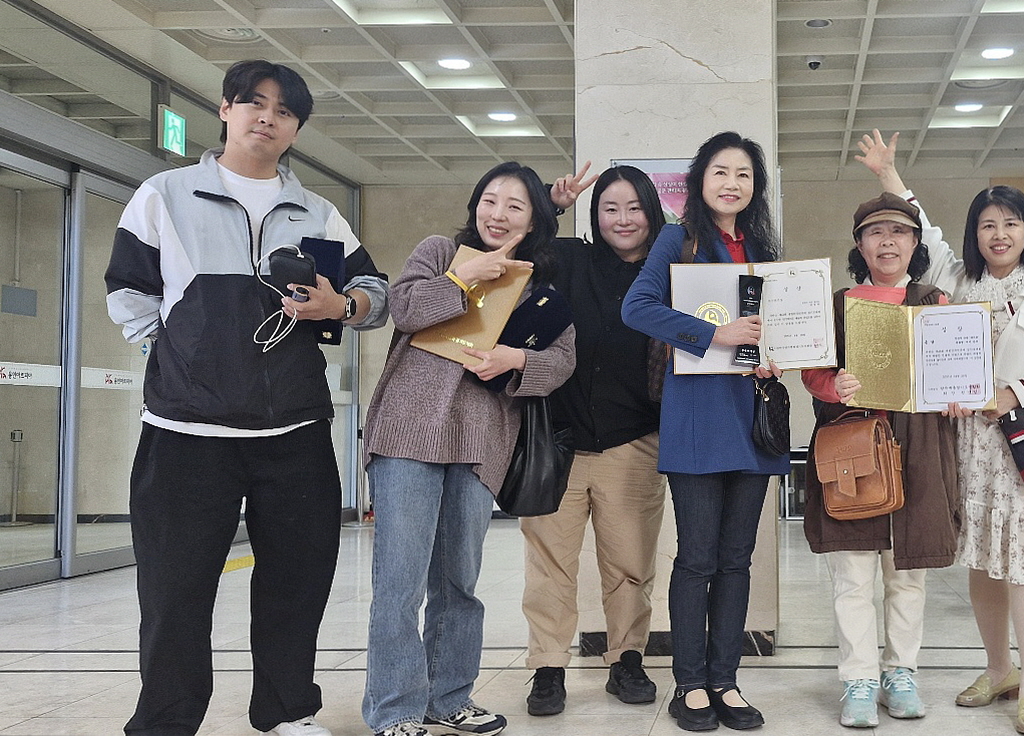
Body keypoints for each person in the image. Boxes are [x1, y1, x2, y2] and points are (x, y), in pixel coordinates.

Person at [104, 60, 389, 736]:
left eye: (284, 111)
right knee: (174, 591)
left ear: (295, 130)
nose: (268, 117)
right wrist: (173, 356)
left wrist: (339, 302)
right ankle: (167, 720)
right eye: (255, 103)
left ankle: (287, 711)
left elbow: (376, 296)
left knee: (297, 582)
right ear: (227, 110)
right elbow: (129, 288)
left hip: (292, 431)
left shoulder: (316, 213)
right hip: (184, 432)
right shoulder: (166, 194)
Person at [858, 129, 1024, 736]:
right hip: (965, 449)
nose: (998, 234)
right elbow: (920, 230)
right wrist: (889, 177)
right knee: (982, 562)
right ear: (974, 235)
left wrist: (1010, 395)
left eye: (1009, 223)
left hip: (1019, 446)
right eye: (987, 225)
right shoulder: (956, 285)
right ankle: (999, 668)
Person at [360, 162, 576, 736]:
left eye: (514, 206)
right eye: (489, 200)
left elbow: (563, 360)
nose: (497, 214)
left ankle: (448, 697)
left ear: (533, 221)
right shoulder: (439, 252)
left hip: (481, 445)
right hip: (408, 434)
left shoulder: (539, 287)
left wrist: (519, 360)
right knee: (399, 583)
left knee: (459, 581)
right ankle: (395, 709)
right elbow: (402, 310)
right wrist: (464, 278)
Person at [622, 131, 789, 732]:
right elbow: (636, 308)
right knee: (696, 560)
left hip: (752, 417)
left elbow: (783, 325)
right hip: (695, 418)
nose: (732, 184)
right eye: (720, 171)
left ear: (755, 187)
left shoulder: (765, 247)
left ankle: (726, 679)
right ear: (700, 180)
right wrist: (711, 333)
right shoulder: (678, 239)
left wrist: (778, 346)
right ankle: (689, 683)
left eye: (744, 174)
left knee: (737, 560)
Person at [799, 193, 962, 728]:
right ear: (860, 244)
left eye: (898, 232)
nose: (887, 241)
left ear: (915, 243)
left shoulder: (936, 302)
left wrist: (959, 389)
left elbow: (957, 367)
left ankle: (901, 673)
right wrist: (832, 383)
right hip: (854, 447)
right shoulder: (838, 304)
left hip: (919, 447)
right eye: (875, 233)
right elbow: (811, 371)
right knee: (851, 574)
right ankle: (860, 681)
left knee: (908, 574)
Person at [520, 164, 669, 716]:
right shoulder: (570, 259)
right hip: (556, 442)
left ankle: (626, 660)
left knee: (630, 561)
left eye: (634, 208)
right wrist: (551, 205)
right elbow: (513, 244)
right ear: (594, 214)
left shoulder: (668, 275)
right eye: (611, 208)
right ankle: (548, 667)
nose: (623, 219)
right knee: (549, 564)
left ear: (652, 214)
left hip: (634, 442)